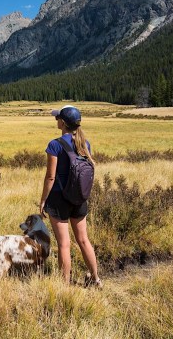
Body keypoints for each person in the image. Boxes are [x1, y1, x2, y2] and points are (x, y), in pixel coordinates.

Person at [39, 105, 101, 287]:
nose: (55, 120)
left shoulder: (55, 145)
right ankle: (96, 279)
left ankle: (64, 286)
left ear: (63, 123)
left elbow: (50, 176)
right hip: (79, 198)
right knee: (83, 240)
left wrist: (43, 200)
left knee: (64, 244)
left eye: (57, 118)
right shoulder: (85, 143)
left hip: (59, 200)